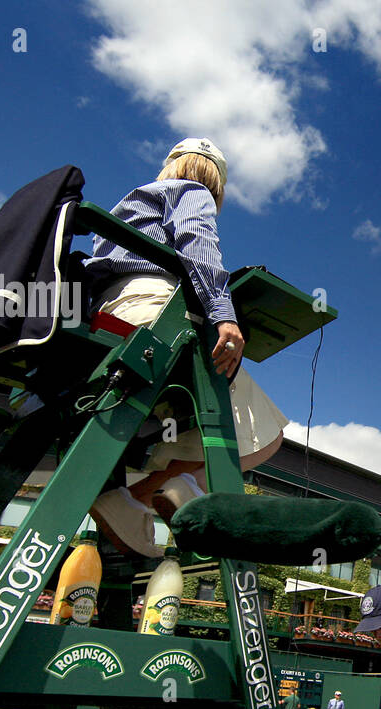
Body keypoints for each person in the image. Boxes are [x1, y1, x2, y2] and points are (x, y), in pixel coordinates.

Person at [81, 137, 288, 555]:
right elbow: (198, 242)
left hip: (111, 320)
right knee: (270, 437)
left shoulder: (132, 203)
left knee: (181, 423)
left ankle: (135, 498)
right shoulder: (193, 193)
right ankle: (183, 484)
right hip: (157, 316)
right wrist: (224, 314)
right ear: (218, 184)